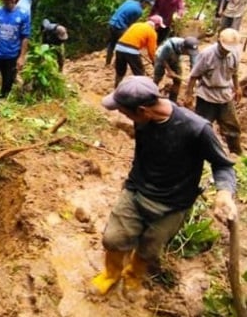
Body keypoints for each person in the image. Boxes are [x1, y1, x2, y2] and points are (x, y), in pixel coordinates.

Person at [92, 76, 237, 295]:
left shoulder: (197, 129)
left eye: (123, 111)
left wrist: (224, 193)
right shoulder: (143, 120)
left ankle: (133, 274)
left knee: (149, 249)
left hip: (173, 203)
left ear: (143, 110)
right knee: (113, 239)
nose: (121, 115)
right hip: (137, 190)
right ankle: (111, 274)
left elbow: (223, 165)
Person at [185, 28, 243, 155]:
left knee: (232, 128)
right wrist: (189, 94)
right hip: (207, 95)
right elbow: (194, 75)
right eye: (224, 48)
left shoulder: (234, 53)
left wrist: (237, 87)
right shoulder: (207, 54)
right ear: (218, 41)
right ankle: (194, 153)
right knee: (201, 127)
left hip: (225, 95)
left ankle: (237, 154)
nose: (226, 50)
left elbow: (234, 72)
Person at [112, 15, 165, 88]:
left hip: (119, 47)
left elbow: (130, 37)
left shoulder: (136, 25)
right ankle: (140, 92)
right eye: (158, 27)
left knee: (120, 72)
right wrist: (154, 62)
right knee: (139, 73)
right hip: (131, 50)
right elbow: (151, 51)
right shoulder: (152, 32)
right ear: (157, 25)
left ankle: (116, 89)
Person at [106, 0, 154, 66]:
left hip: (112, 23)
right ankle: (116, 64)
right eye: (147, 5)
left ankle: (108, 63)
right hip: (120, 26)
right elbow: (130, 24)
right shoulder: (138, 11)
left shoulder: (129, 1)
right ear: (143, 2)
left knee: (112, 43)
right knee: (124, 45)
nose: (147, 7)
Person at [152, 37, 199, 103]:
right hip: (161, 57)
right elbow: (162, 59)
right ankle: (152, 95)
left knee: (178, 80)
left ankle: (172, 101)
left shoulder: (191, 48)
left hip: (175, 58)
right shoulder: (168, 46)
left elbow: (194, 64)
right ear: (183, 48)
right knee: (158, 76)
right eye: (188, 52)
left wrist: (193, 77)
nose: (189, 54)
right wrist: (169, 71)